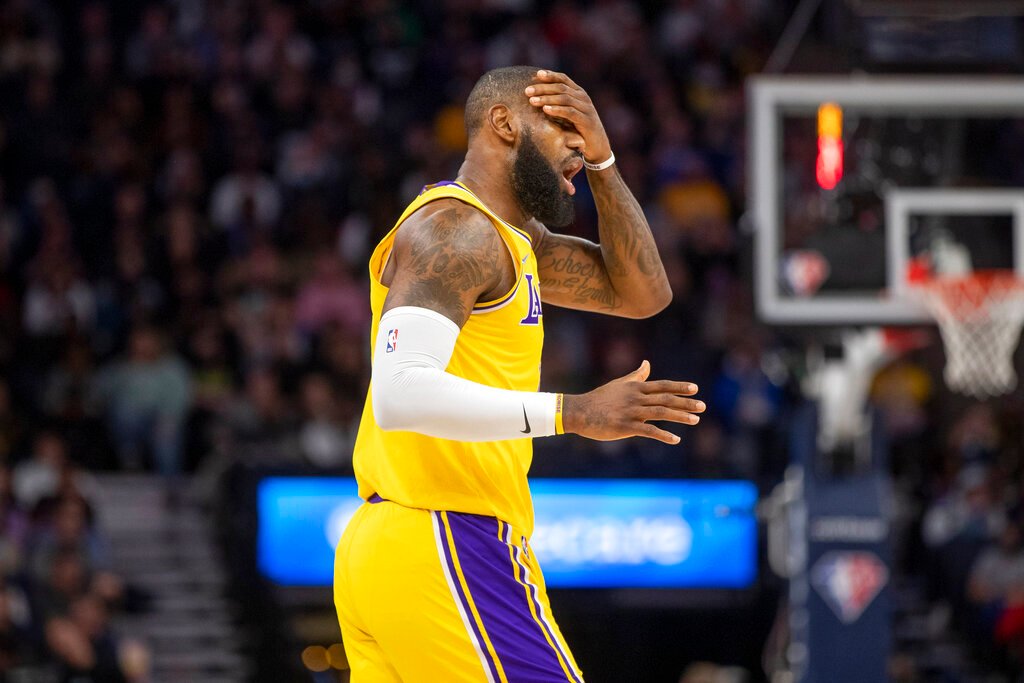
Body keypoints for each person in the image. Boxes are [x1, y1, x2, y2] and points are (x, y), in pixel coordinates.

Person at [334, 66, 706, 682]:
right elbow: (400, 391)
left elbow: (644, 293)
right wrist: (574, 412)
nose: (578, 147)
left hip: (401, 545)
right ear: (504, 124)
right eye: (563, 129)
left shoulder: (512, 241)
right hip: (445, 533)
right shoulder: (455, 231)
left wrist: (605, 162)